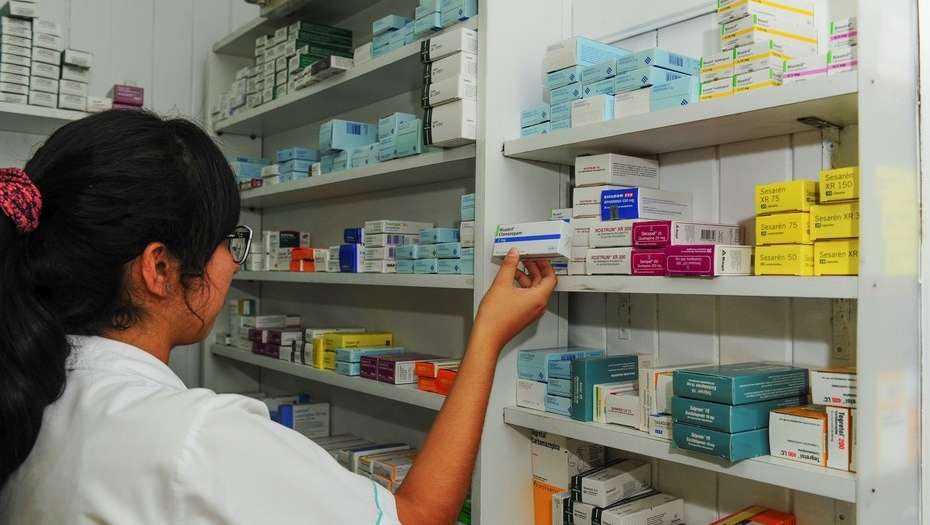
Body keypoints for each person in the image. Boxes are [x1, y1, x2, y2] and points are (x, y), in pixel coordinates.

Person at [0, 110, 557, 524]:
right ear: (160, 268)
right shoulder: (195, 438)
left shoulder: (29, 386)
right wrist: (487, 335)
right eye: (227, 241)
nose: (233, 264)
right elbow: (416, 519)